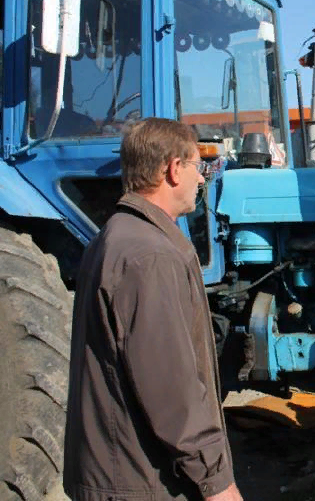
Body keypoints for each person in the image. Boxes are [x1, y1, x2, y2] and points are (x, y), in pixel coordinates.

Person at [64, 118, 242, 501]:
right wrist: (216, 481)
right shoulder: (149, 255)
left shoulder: (113, 238)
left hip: (119, 473)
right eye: (198, 166)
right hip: (138, 482)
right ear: (174, 169)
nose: (201, 179)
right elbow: (169, 384)